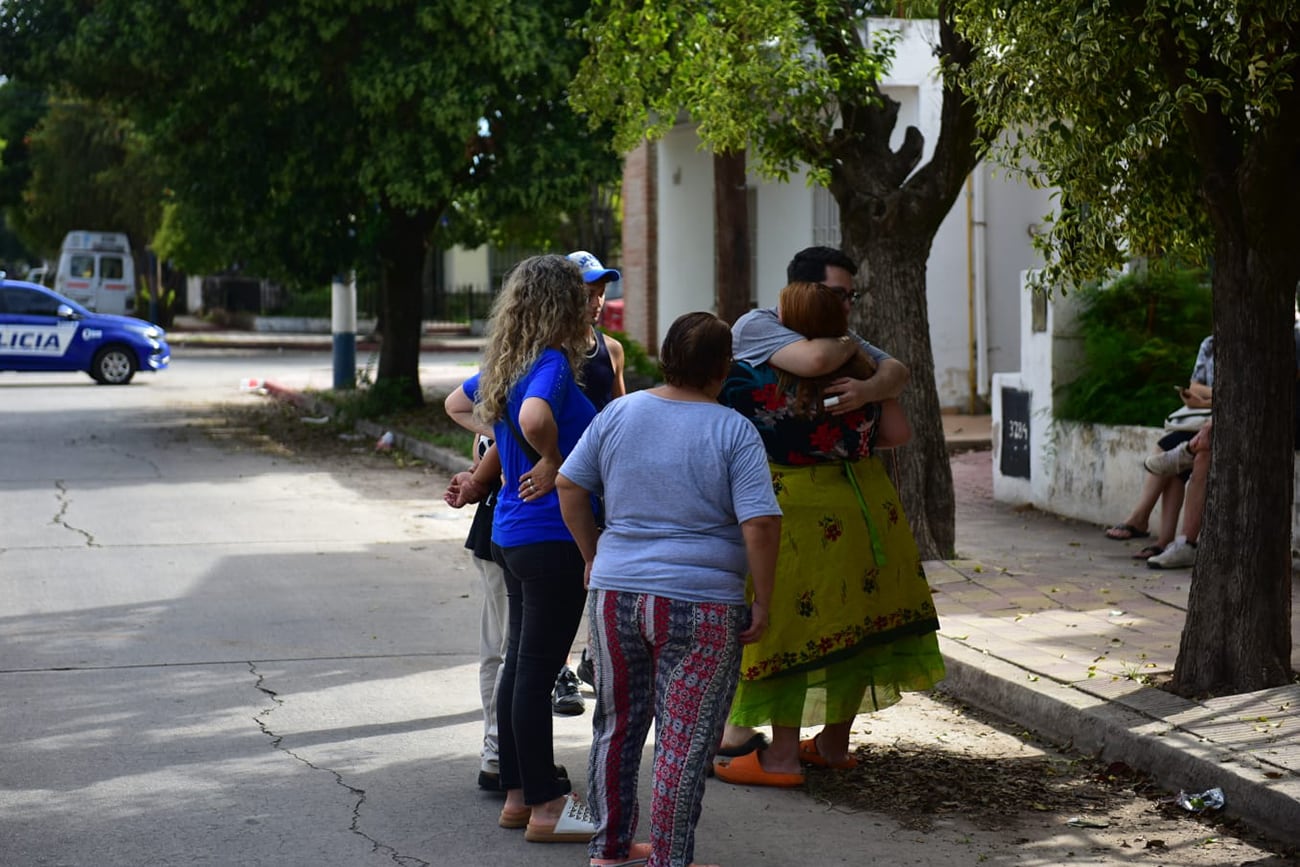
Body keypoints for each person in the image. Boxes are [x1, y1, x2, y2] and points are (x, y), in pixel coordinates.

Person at [557, 312, 782, 867]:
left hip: (617, 593)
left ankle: (608, 851)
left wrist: (593, 556)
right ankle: (668, 858)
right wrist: (763, 600)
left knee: (616, 727)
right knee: (684, 741)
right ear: (724, 367)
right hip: (704, 602)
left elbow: (568, 484)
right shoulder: (733, 430)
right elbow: (760, 523)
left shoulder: (618, 413)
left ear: (664, 357)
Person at [715, 278, 945, 787]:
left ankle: (780, 759)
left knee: (789, 632)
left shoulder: (753, 381)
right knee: (853, 629)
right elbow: (898, 434)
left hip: (793, 513)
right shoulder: (863, 374)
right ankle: (834, 747)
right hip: (865, 510)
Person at [443, 253, 599, 843]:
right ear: (562, 305)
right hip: (550, 535)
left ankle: (517, 795)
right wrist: (554, 460)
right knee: (536, 672)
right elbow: (534, 420)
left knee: (519, 668)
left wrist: (503, 467)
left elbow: (465, 408)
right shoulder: (552, 364)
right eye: (579, 297)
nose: (590, 306)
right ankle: (547, 806)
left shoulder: (509, 364)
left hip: (511, 534)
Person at [1144, 318, 1300, 569]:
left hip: (1274, 422)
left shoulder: (1291, 340)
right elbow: (1211, 387)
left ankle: (1187, 450)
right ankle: (1185, 544)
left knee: (1204, 439)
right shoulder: (1229, 343)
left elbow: (1267, 390)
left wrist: (1211, 400)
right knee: (1202, 450)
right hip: (1248, 419)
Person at [552, 250, 628, 716]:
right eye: (587, 292)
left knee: (601, 573)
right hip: (563, 478)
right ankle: (559, 668)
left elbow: (622, 414)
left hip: (604, 479)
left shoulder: (611, 349)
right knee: (565, 577)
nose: (597, 301)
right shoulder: (547, 354)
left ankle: (591, 658)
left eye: (601, 292)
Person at [1102, 335, 1213, 560]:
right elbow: (1195, 386)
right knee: (1166, 449)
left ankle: (1144, 519)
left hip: (1220, 419)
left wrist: (1205, 400)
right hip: (1206, 417)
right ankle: (1162, 538)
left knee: (1179, 455)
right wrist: (1209, 400)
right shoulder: (1211, 343)